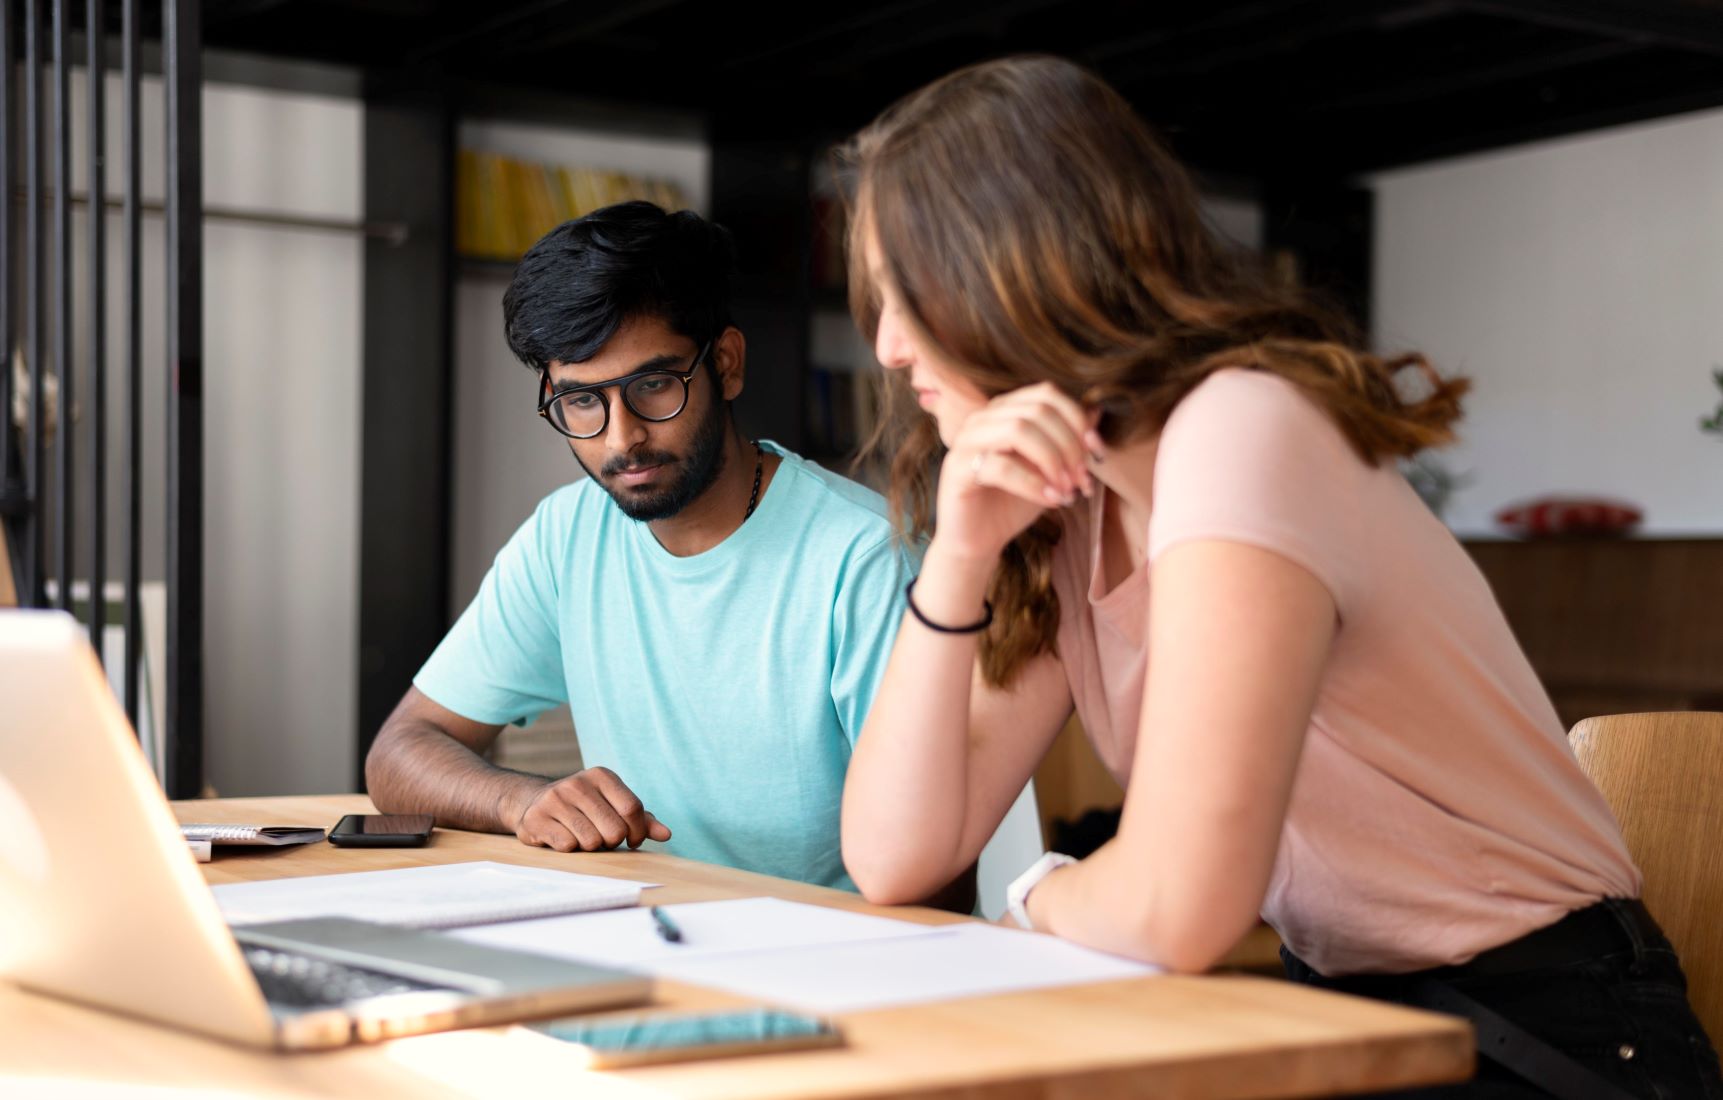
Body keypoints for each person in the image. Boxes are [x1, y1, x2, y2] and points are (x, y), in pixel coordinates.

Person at [836, 56, 1723, 1098]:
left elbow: (1179, 903)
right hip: (1344, 1010)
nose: (889, 346)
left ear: (1017, 266)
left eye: (908, 291)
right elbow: (895, 857)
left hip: (1548, 1026)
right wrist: (961, 551)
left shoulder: (1240, 426)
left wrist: (1036, 900)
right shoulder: (1063, 515)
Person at [366, 201, 916, 893]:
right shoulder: (566, 536)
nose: (620, 438)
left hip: (820, 979)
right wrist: (523, 801)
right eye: (582, 401)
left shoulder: (865, 559)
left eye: (653, 386)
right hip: (643, 964)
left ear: (726, 363)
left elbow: (932, 878)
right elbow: (401, 749)